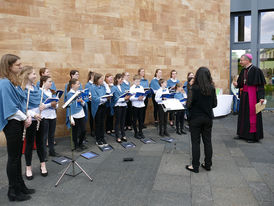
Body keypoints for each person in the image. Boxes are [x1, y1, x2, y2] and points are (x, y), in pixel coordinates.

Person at [0, 54, 34, 201]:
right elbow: (10, 109)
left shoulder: (11, 81)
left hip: (17, 122)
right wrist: (25, 117)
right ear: (9, 67)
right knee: (13, 158)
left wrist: (26, 116)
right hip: (12, 123)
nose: (21, 67)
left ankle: (20, 186)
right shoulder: (4, 83)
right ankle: (12, 191)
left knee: (17, 157)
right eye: (18, 65)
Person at [185, 67, 217, 173]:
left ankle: (195, 166)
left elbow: (188, 104)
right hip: (207, 118)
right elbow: (214, 104)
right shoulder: (211, 88)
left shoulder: (193, 88)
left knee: (195, 142)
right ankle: (208, 164)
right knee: (207, 141)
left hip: (195, 118)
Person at [20, 66, 48, 180]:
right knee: (29, 145)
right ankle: (28, 167)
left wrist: (43, 106)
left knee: (41, 143)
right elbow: (23, 107)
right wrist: (33, 114)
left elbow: (43, 102)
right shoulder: (22, 89)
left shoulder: (36, 88)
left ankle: (43, 164)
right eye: (33, 74)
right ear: (27, 75)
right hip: (30, 120)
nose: (36, 76)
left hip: (40, 119)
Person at [236, 54, 266, 143]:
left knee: (252, 115)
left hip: (253, 96)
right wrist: (237, 85)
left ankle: (252, 136)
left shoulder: (256, 70)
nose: (240, 62)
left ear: (247, 60)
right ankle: (242, 134)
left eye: (241, 60)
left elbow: (260, 85)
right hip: (245, 96)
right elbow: (241, 83)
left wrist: (261, 97)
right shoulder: (243, 70)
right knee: (243, 115)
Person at [65, 78, 88, 152]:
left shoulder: (79, 92)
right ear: (72, 85)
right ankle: (76, 145)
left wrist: (81, 101)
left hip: (81, 113)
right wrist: (70, 118)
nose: (79, 85)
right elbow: (69, 106)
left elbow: (84, 104)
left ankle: (80, 143)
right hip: (74, 115)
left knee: (83, 130)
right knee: (75, 132)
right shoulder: (69, 94)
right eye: (78, 84)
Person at [40, 76, 59, 158]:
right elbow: (40, 106)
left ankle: (52, 151)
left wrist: (55, 105)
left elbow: (56, 104)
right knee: (44, 136)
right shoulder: (39, 91)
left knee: (51, 135)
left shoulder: (51, 92)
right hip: (44, 116)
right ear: (44, 82)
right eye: (49, 81)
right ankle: (43, 154)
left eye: (51, 81)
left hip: (52, 115)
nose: (51, 83)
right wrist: (49, 104)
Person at [91, 73, 109, 147]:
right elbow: (95, 98)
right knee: (98, 124)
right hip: (97, 107)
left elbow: (107, 93)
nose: (102, 80)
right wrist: (102, 99)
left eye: (103, 79)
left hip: (103, 106)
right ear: (97, 79)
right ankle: (98, 139)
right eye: (101, 79)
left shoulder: (103, 87)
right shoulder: (93, 87)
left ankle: (102, 138)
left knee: (102, 123)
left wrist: (105, 84)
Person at [111, 73, 130, 143]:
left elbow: (125, 95)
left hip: (124, 105)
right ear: (117, 79)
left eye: (122, 79)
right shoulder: (114, 87)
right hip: (117, 106)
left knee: (123, 121)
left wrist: (127, 98)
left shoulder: (123, 87)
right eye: (121, 79)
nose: (122, 80)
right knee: (117, 122)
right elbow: (115, 98)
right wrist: (124, 99)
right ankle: (117, 136)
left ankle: (123, 135)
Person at [130, 74, 146, 139]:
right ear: (133, 81)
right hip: (135, 105)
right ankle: (136, 132)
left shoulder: (141, 87)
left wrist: (143, 98)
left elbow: (144, 95)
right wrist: (137, 98)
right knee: (135, 119)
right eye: (136, 81)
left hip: (141, 105)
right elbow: (130, 98)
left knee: (141, 119)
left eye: (139, 81)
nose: (138, 82)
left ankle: (140, 132)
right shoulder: (132, 88)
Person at [85, 70, 95, 137]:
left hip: (96, 102)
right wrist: (90, 96)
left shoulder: (95, 83)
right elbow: (86, 94)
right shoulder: (87, 84)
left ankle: (97, 130)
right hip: (90, 102)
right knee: (92, 116)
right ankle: (92, 130)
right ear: (91, 76)